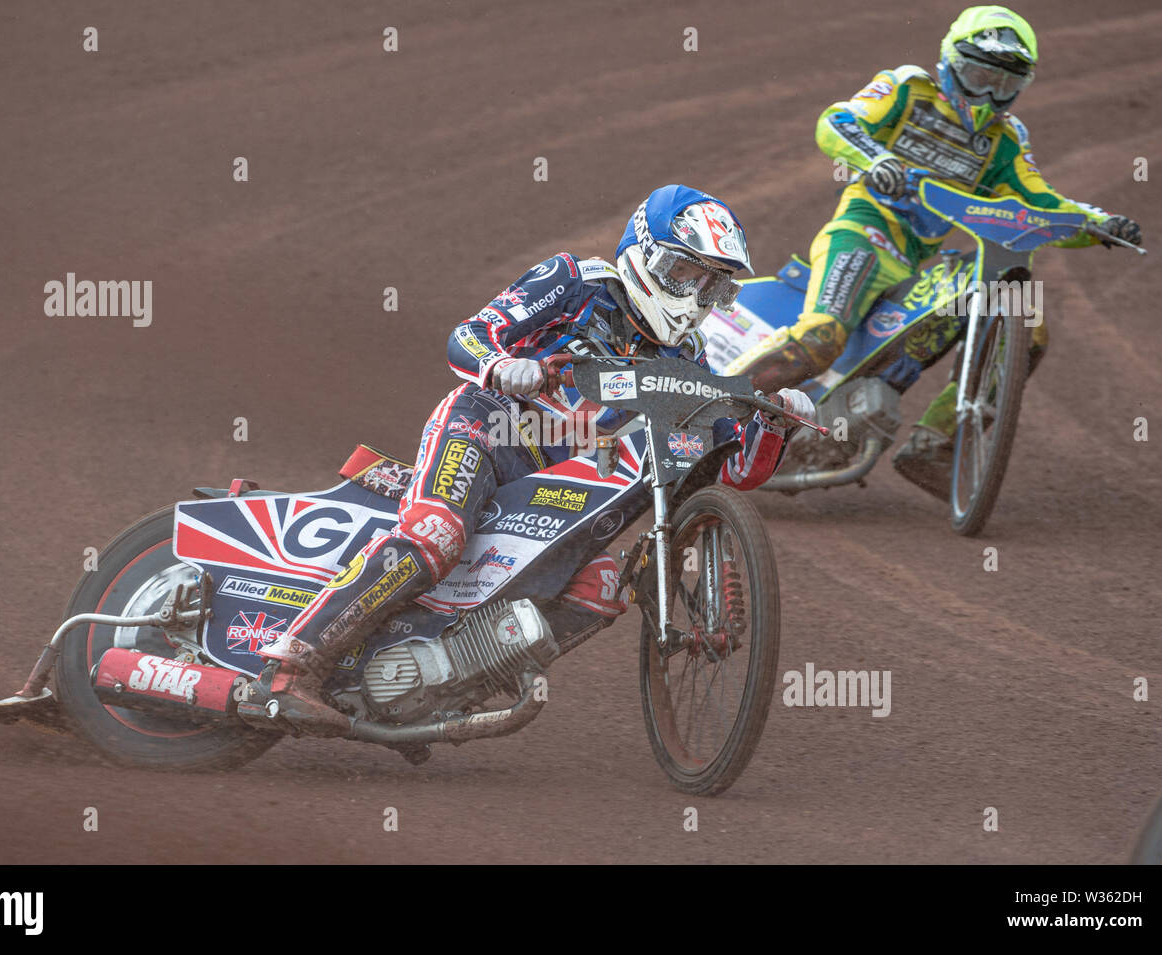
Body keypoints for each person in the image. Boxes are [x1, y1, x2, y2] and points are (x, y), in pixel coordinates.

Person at [249, 185, 814, 726]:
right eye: (684, 272)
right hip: (487, 428)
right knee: (437, 531)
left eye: (711, 284)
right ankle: (292, 665)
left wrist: (773, 422)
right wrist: (501, 365)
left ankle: (438, 688)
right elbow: (468, 335)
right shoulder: (577, 281)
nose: (693, 294)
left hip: (554, 483)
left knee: (601, 588)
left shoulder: (688, 358)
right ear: (643, 256)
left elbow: (735, 471)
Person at [740, 4, 1142, 497]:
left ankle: (936, 443)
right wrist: (876, 157)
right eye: (978, 75)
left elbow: (1044, 205)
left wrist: (1099, 223)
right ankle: (709, 408)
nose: (989, 93)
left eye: (1004, 83)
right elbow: (837, 121)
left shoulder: (1005, 141)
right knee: (823, 336)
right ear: (951, 62)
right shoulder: (908, 88)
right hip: (862, 233)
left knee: (1028, 328)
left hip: (915, 264)